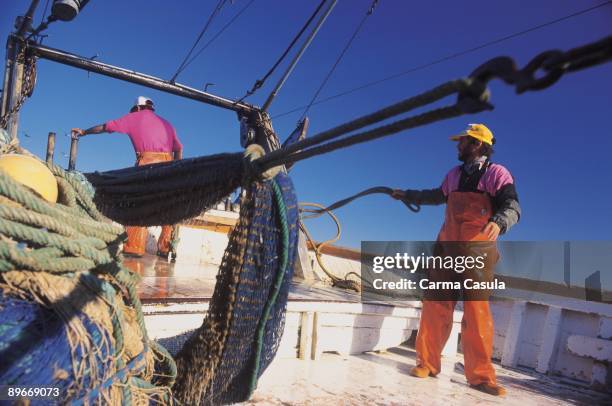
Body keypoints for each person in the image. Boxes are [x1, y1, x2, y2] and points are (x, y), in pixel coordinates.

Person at [392, 123, 520, 397]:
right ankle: (427, 363)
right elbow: (435, 196)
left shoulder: (497, 174)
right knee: (435, 305)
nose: (457, 145)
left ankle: (481, 377)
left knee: (476, 313)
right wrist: (407, 195)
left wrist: (499, 221)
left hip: (477, 252)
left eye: (462, 141)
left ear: (476, 144)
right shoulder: (453, 175)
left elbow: (513, 206)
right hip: (446, 248)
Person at [73, 96, 183, 258]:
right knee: (167, 207)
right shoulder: (167, 124)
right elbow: (179, 148)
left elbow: (105, 127)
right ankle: (167, 248)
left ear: (137, 108)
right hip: (170, 166)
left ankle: (134, 248)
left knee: (138, 205)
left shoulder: (135, 117)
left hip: (148, 163)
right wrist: (176, 168)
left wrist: (84, 132)